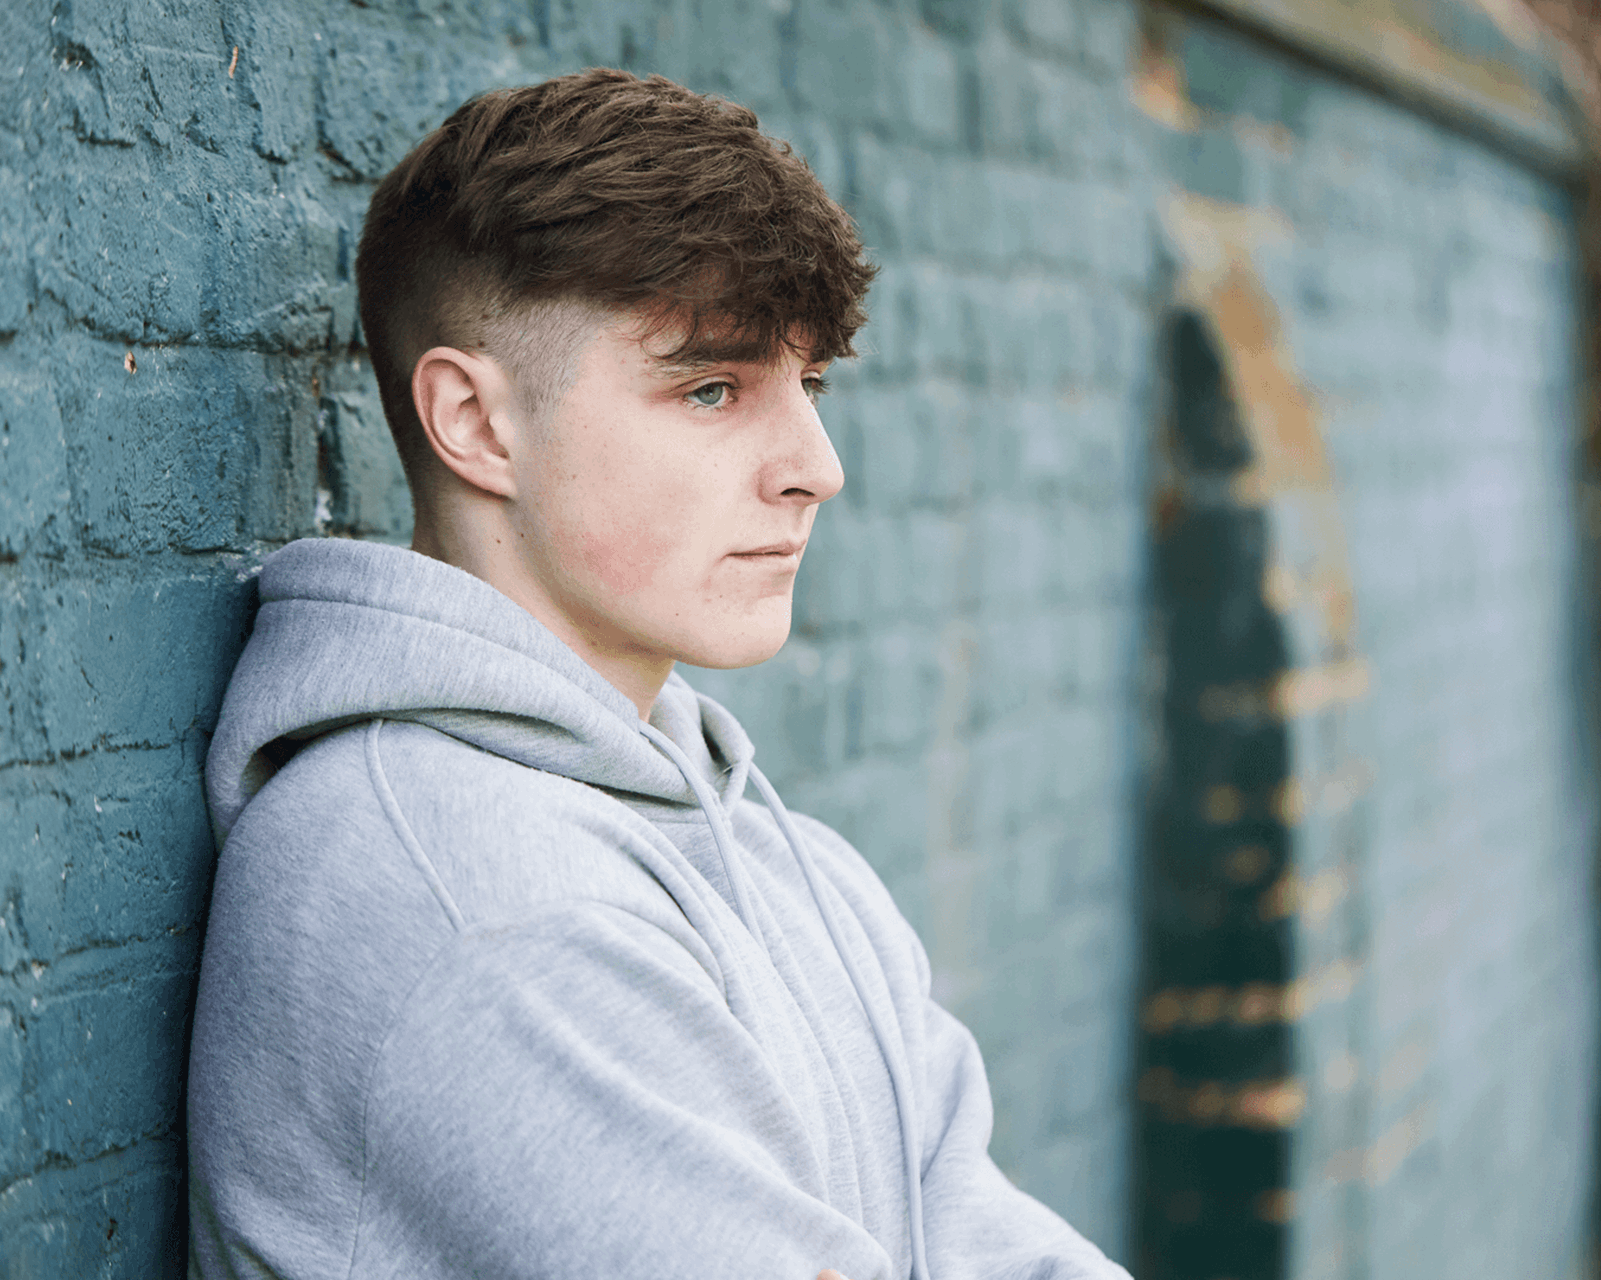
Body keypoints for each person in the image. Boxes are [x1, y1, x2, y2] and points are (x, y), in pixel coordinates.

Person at [185, 68, 1128, 1280]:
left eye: (811, 386)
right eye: (712, 387)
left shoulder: (791, 868)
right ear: (476, 423)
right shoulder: (470, 893)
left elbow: (986, 1238)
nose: (816, 466)